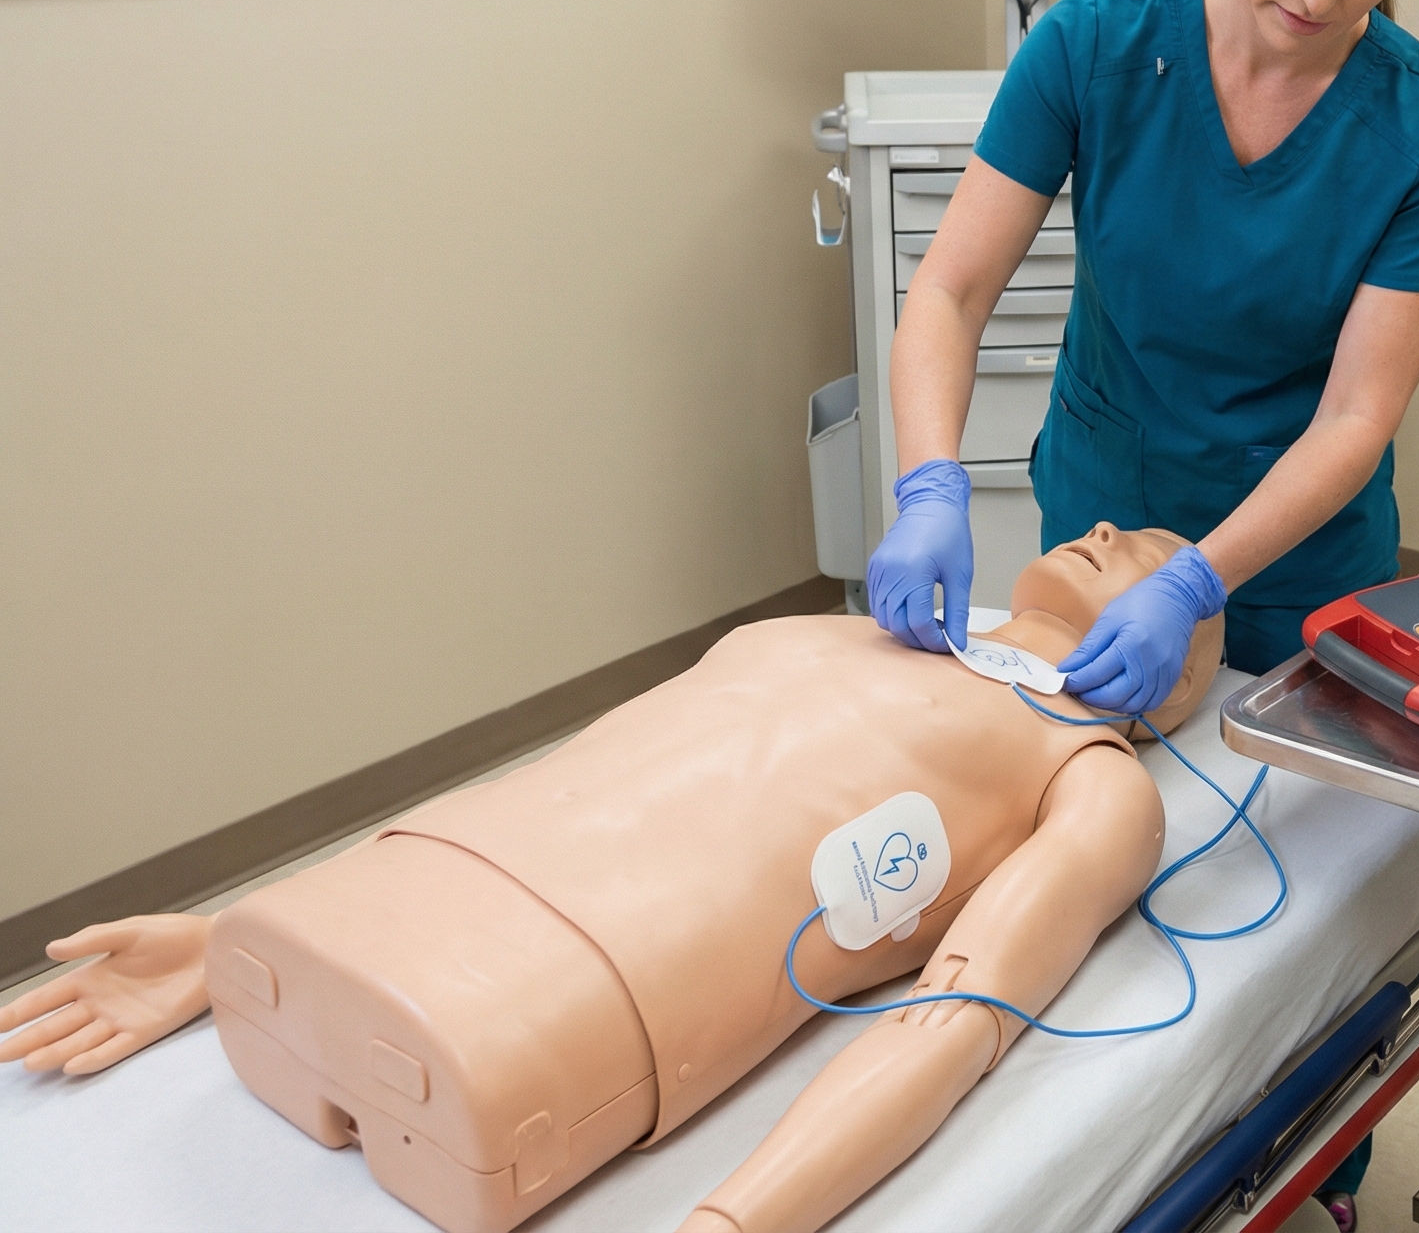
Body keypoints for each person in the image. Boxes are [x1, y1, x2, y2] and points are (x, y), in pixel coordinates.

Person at [867, 0, 1419, 1225]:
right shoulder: (1097, 42)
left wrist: (1208, 576)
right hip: (1103, 515)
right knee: (1090, 864)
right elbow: (949, 290)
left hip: (1297, 564)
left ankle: (1322, 1171)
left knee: (1302, 926)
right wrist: (930, 485)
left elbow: (1356, 418)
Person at [2, 524, 1226, 1233]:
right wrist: (228, 936)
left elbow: (953, 1019)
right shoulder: (849, 628)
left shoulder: (1094, 775)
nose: (1109, 528)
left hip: (584, 977)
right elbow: (589, 767)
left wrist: (733, 1219)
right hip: (440, 877)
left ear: (1176, 678)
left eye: (1155, 556)